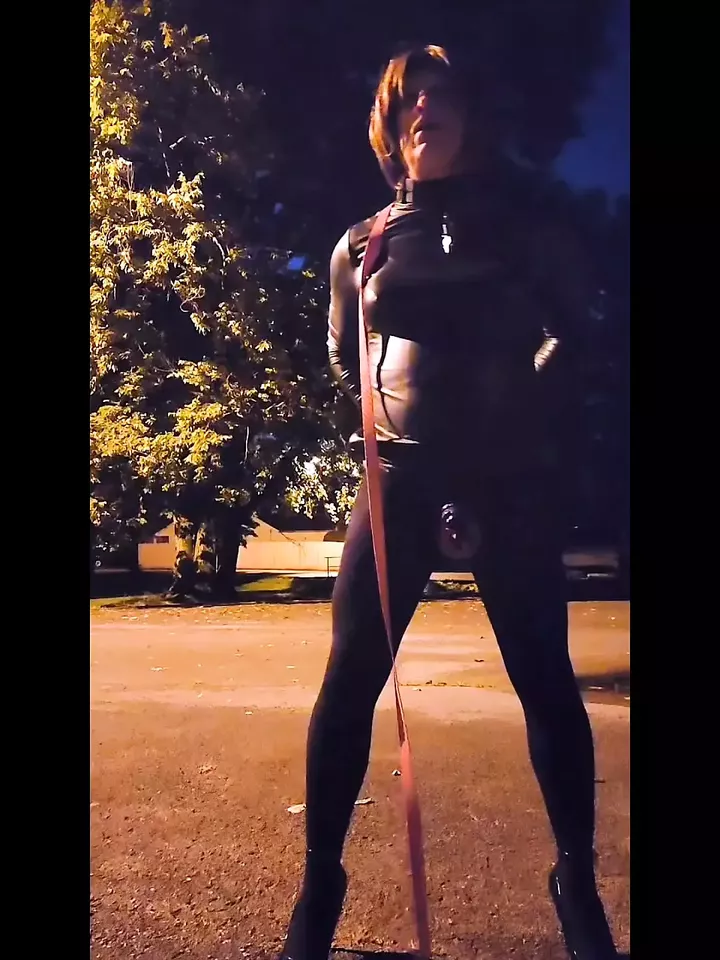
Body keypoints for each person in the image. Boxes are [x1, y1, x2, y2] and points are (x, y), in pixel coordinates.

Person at [280, 44, 620, 960]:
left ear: (472, 118)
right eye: (409, 101)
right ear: (391, 129)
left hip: (506, 481)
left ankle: (577, 885)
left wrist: (516, 414)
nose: (426, 108)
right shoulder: (361, 244)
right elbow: (344, 359)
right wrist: (383, 427)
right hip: (398, 481)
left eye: (442, 95)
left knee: (545, 681)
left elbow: (573, 335)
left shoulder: (523, 231)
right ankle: (319, 888)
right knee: (348, 683)